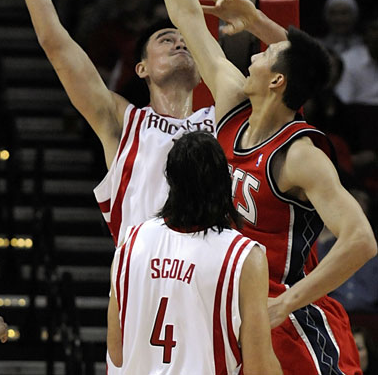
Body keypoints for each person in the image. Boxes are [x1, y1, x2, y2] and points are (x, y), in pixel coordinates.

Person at [125, 0, 377, 375]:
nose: (255, 55)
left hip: (291, 319)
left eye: (265, 54)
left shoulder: (299, 155)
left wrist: (285, 304)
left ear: (277, 81)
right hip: (231, 309)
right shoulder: (232, 105)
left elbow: (361, 240)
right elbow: (187, 15)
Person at [0, 0, 285, 249]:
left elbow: (295, 66)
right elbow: (55, 43)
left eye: (184, 40)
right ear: (141, 68)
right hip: (141, 277)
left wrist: (257, 21)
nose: (179, 42)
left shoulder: (225, 117)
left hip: (210, 275)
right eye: (165, 39)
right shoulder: (122, 122)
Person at [107, 131, 282, 375]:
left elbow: (116, 352)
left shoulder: (130, 243)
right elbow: (259, 368)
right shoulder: (243, 257)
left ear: (170, 181)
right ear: (225, 182)